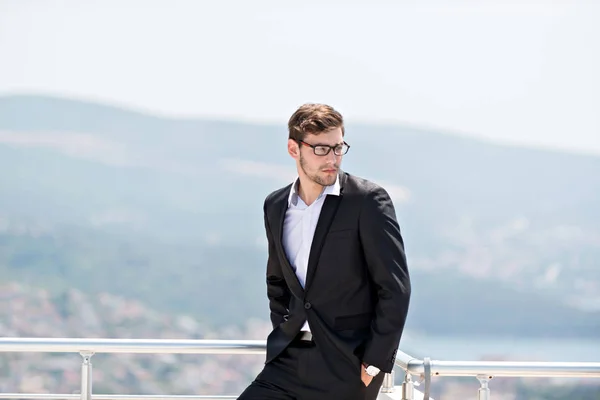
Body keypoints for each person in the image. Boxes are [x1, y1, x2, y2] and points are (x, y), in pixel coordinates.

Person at [238, 103, 411, 400]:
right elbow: (277, 280)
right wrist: (283, 329)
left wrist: (374, 363)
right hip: (288, 359)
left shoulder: (366, 200)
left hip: (347, 364)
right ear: (294, 149)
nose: (332, 159)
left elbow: (394, 288)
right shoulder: (276, 205)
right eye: (321, 149)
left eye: (338, 147)